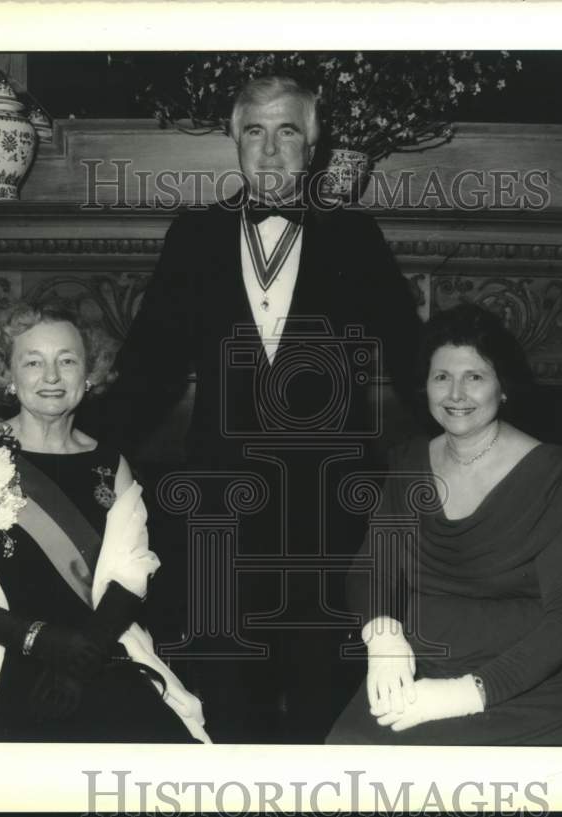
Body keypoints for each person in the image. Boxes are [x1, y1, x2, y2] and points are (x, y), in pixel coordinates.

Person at [98, 76, 423, 743]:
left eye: (288, 132)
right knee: (225, 692)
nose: (271, 153)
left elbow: (415, 361)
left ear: (315, 145)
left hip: (331, 513)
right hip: (222, 512)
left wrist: (507, 446)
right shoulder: (194, 235)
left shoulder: (355, 236)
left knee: (323, 695)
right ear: (234, 140)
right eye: (255, 132)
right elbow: (148, 369)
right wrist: (78, 447)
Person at [0, 298, 209, 743]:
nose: (51, 377)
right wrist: (43, 642)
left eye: (67, 361)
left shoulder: (112, 463)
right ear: (8, 376)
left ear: (90, 374)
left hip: (95, 644)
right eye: (33, 362)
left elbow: (130, 580)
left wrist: (77, 664)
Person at [326, 302, 562, 745]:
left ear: (503, 387)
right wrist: (382, 634)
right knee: (344, 759)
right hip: (420, 662)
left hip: (525, 682)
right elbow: (371, 567)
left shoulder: (554, 472)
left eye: (474, 376)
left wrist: (464, 695)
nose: (456, 393)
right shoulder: (409, 462)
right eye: (441, 377)